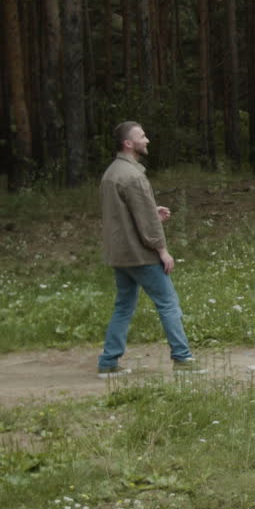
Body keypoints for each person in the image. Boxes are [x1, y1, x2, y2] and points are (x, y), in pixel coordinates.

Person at [97, 121, 203, 376]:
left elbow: (124, 214)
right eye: (142, 136)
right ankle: (183, 359)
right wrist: (162, 250)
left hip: (120, 254)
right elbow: (146, 224)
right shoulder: (133, 176)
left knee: (123, 306)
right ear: (128, 143)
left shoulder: (112, 173)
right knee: (168, 303)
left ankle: (108, 362)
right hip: (140, 255)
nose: (147, 140)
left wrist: (151, 212)